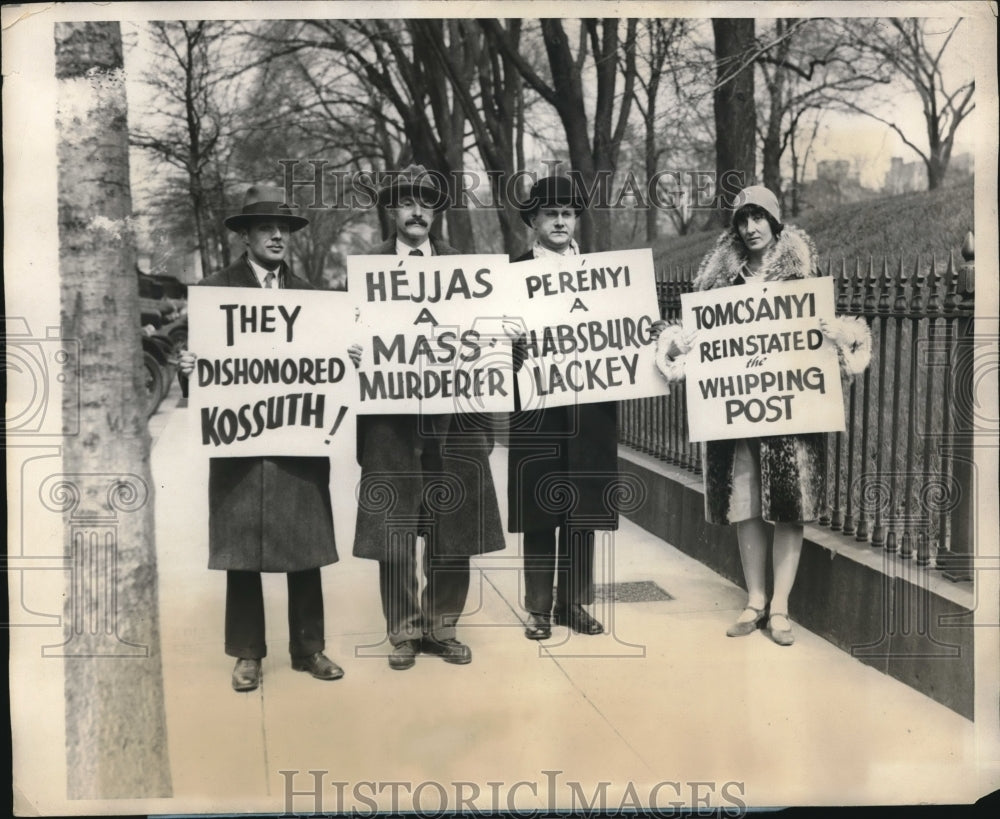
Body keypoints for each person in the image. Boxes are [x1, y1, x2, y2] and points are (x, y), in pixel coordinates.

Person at [657, 185, 871, 646]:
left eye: (759, 218)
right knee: (745, 502)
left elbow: (833, 351)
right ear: (734, 226)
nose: (750, 227)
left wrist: (835, 336)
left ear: (775, 223)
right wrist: (688, 348)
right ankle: (755, 599)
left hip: (790, 412)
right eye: (742, 219)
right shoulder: (717, 286)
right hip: (738, 413)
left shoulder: (804, 278)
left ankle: (780, 608)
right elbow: (704, 348)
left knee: (789, 506)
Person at [179, 185, 344, 691]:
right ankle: (248, 653)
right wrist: (189, 370)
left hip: (297, 443)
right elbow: (205, 381)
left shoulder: (314, 298)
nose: (277, 236)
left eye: (285, 229)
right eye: (267, 228)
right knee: (243, 550)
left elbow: (330, 372)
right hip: (242, 445)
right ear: (246, 236)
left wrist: (347, 365)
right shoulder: (214, 294)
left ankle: (309, 647)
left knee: (304, 546)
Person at [350, 164, 505, 670]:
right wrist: (350, 352)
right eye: (405, 202)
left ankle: (442, 625)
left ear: (436, 211)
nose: (417, 211)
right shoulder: (365, 271)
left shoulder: (467, 270)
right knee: (394, 525)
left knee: (452, 524)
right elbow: (334, 341)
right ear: (391, 211)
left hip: (456, 420)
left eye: (426, 202)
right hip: (391, 423)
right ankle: (403, 631)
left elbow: (497, 339)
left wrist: (500, 340)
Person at [505, 175, 620, 641]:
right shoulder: (510, 275)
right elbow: (493, 342)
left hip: (588, 407)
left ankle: (573, 602)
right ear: (532, 221)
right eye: (550, 213)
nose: (559, 221)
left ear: (577, 221)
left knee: (583, 508)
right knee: (539, 508)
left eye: (568, 213)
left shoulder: (604, 276)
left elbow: (622, 334)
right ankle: (538, 608)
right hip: (536, 409)